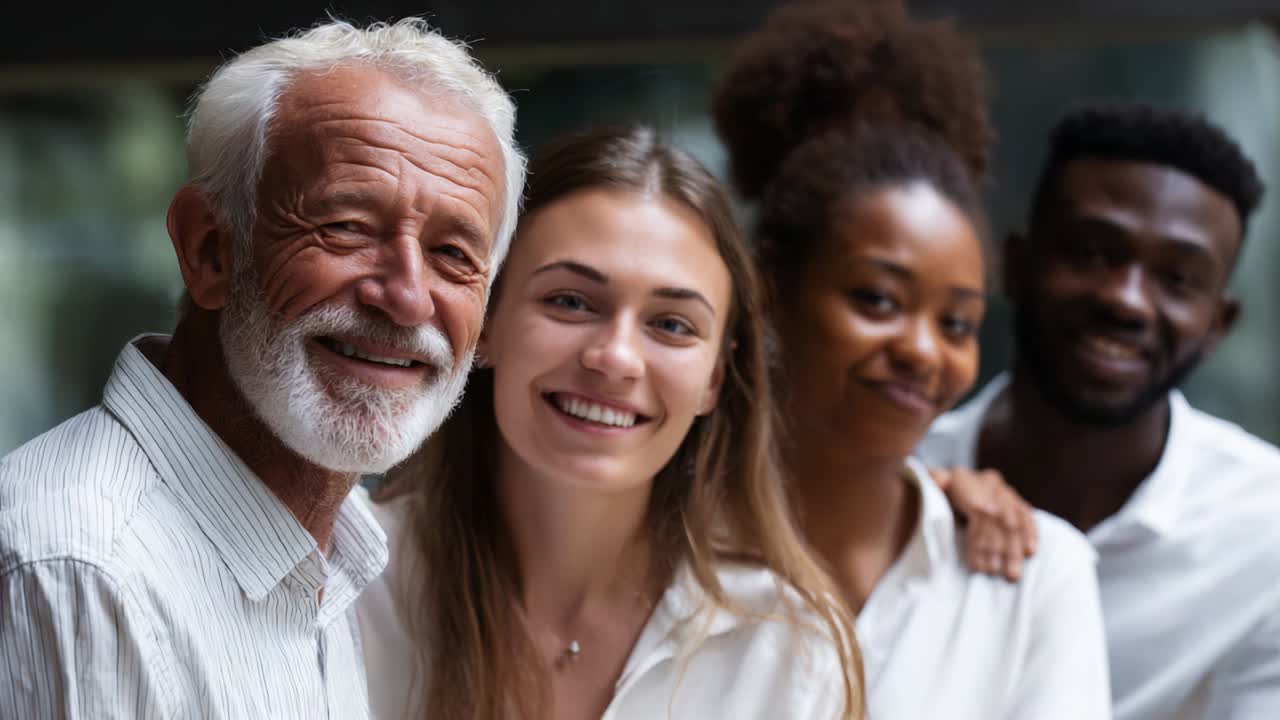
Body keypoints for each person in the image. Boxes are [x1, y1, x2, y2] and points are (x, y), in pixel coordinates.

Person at [0, 18, 524, 718]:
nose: (406, 297)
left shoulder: (355, 550)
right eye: (345, 226)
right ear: (210, 250)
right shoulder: (83, 567)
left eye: (454, 255)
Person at [357, 126, 862, 720]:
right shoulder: (353, 589)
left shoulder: (783, 648)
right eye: (570, 301)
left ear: (714, 380)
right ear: (486, 322)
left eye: (672, 324)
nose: (617, 358)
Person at [712, 3, 1111, 718]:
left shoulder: (1021, 563)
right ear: (770, 285)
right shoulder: (659, 535)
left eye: (956, 320)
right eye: (875, 296)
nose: (921, 349)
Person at [917, 102, 1280, 720]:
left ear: (1219, 323)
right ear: (1015, 263)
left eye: (1179, 279)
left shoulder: (1265, 529)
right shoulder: (900, 474)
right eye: (1091, 252)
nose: (1126, 299)